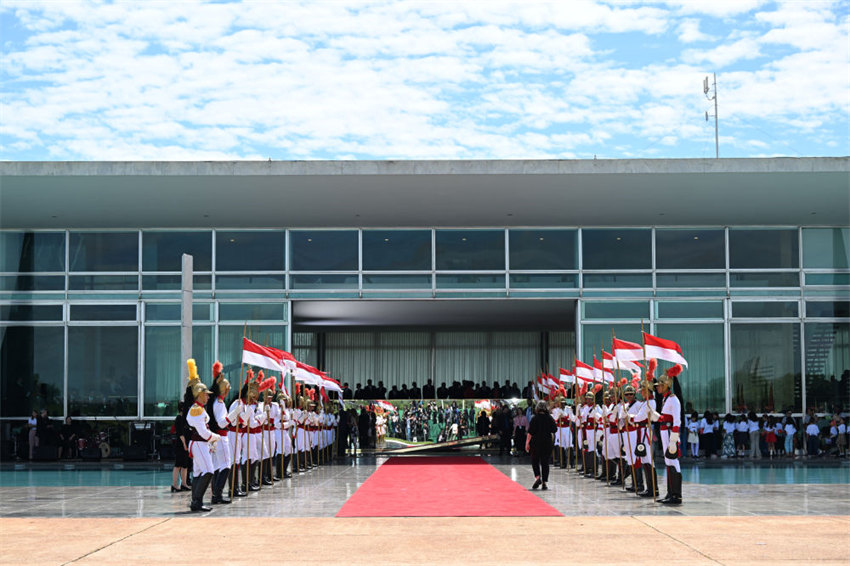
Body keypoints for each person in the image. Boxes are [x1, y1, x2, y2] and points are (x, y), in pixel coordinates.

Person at [184, 363, 220, 513]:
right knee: (209, 471)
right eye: (205, 394)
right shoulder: (197, 410)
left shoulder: (198, 408)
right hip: (200, 443)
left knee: (199, 473)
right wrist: (215, 437)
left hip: (200, 443)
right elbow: (203, 432)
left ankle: (196, 502)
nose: (208, 396)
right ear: (199, 394)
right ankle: (196, 501)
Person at [654, 363, 683, 505]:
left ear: (666, 385)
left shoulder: (673, 399)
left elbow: (677, 420)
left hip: (671, 433)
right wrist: (655, 415)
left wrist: (673, 440)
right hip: (664, 431)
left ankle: (676, 495)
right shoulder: (666, 399)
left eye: (660, 385)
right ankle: (670, 492)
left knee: (673, 460)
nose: (657, 388)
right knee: (668, 461)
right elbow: (665, 417)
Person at [526, 400, 556, 490]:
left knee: (535, 460)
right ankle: (544, 482)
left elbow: (530, 432)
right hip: (547, 442)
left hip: (536, 442)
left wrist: (527, 443)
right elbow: (554, 429)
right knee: (545, 462)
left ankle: (538, 477)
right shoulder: (549, 418)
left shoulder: (534, 418)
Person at [171, 401, 191, 492]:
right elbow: (180, 433)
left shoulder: (185, 419)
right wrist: (184, 444)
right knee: (178, 465)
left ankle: (184, 483)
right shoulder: (179, 418)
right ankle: (175, 484)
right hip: (180, 445)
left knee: (185, 465)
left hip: (186, 444)